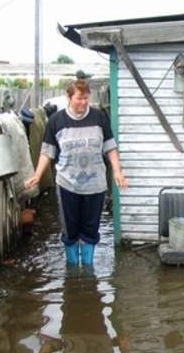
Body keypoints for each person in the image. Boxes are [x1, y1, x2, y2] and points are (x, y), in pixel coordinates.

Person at [25, 79, 128, 265]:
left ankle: (87, 270)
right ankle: (72, 270)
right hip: (67, 184)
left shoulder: (99, 118)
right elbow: (47, 152)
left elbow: (110, 147)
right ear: (69, 97)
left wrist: (117, 172)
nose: (83, 103)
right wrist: (37, 175)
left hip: (95, 184)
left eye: (86, 98)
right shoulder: (56, 121)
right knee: (70, 229)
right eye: (79, 98)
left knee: (90, 228)